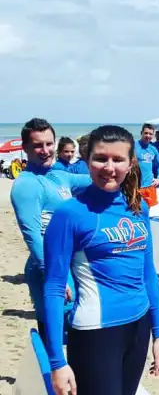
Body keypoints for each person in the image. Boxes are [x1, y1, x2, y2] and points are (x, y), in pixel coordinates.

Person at [42, 125, 159, 395]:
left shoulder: (138, 207)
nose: (108, 167)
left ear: (130, 162)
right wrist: (57, 363)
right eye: (100, 158)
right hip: (96, 332)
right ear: (87, 160)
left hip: (139, 327)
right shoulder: (70, 215)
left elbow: (148, 273)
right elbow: (53, 288)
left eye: (117, 159)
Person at [10, 118, 91, 344]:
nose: (45, 151)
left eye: (48, 144)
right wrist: (54, 276)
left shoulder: (57, 175)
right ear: (24, 148)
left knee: (75, 332)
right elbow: (32, 234)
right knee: (54, 337)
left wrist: (114, 164)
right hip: (49, 267)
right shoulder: (27, 184)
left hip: (68, 263)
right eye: (37, 145)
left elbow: (91, 180)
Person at [135, 124, 159, 208]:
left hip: (149, 186)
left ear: (153, 135)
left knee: (147, 211)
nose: (148, 136)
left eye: (150, 134)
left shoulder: (153, 149)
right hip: (135, 186)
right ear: (141, 133)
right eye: (146, 133)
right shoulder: (133, 146)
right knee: (134, 211)